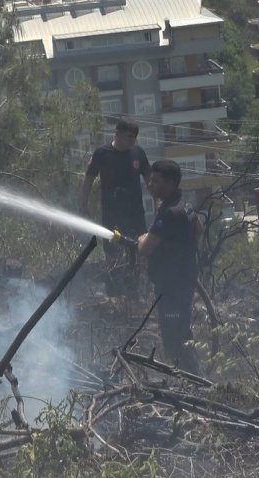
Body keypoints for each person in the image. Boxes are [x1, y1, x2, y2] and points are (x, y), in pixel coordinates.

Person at [136, 160, 202, 374]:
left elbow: (145, 248)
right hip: (182, 281)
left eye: (155, 181)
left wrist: (143, 240)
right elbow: (198, 229)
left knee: (175, 339)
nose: (150, 185)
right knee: (182, 334)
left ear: (171, 183)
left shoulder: (169, 213)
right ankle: (194, 380)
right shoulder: (185, 204)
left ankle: (191, 382)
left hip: (171, 287)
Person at [79, 119, 151, 297]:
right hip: (112, 215)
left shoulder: (138, 153)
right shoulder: (102, 153)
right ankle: (114, 292)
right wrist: (83, 203)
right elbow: (88, 179)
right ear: (117, 133)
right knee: (112, 253)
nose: (132, 141)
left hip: (135, 214)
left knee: (140, 250)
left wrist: (159, 201)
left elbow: (150, 180)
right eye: (129, 137)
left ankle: (139, 292)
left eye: (135, 138)